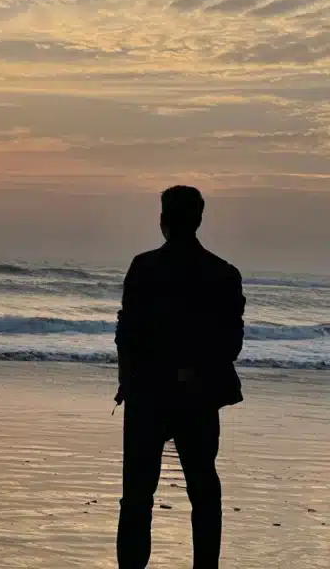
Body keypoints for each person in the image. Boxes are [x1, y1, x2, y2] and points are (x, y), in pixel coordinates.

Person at [114, 185, 246, 569]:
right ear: (199, 220)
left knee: (137, 494)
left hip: (148, 393)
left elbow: (127, 333)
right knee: (203, 489)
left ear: (163, 221)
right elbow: (231, 345)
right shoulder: (223, 273)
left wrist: (126, 381)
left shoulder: (143, 267)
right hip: (199, 395)